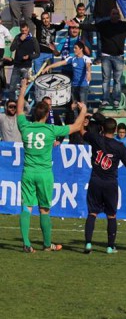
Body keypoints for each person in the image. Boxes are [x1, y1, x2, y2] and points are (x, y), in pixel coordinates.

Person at [16, 79, 88, 253]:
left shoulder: (25, 127)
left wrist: (23, 88)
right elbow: (76, 126)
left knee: (26, 207)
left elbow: (19, 109)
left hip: (28, 172)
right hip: (44, 173)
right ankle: (47, 245)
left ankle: (26, 243)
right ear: (47, 115)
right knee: (44, 209)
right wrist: (83, 110)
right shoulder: (51, 130)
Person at [82, 118, 126, 254]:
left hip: (95, 181)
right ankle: (110, 247)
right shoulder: (119, 146)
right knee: (111, 215)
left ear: (102, 128)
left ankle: (88, 244)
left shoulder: (96, 139)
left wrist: (82, 115)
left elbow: (81, 131)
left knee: (92, 213)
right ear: (115, 130)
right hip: (110, 184)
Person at [70, 8, 126, 108]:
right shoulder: (104, 24)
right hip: (106, 57)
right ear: (110, 15)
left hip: (119, 57)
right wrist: (78, 25)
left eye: (117, 14)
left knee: (117, 80)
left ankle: (116, 99)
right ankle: (105, 99)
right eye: (113, 13)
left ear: (119, 15)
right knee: (106, 79)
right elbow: (92, 27)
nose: (115, 15)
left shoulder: (124, 25)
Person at [8, 23, 39, 100]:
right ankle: (12, 102)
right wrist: (19, 40)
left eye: (25, 30)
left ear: (28, 29)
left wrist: (29, 56)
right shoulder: (18, 37)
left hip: (27, 66)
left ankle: (24, 104)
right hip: (17, 65)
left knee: (25, 88)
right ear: (20, 30)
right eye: (22, 31)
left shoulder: (33, 39)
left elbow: (37, 53)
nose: (24, 32)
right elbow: (12, 49)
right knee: (12, 87)